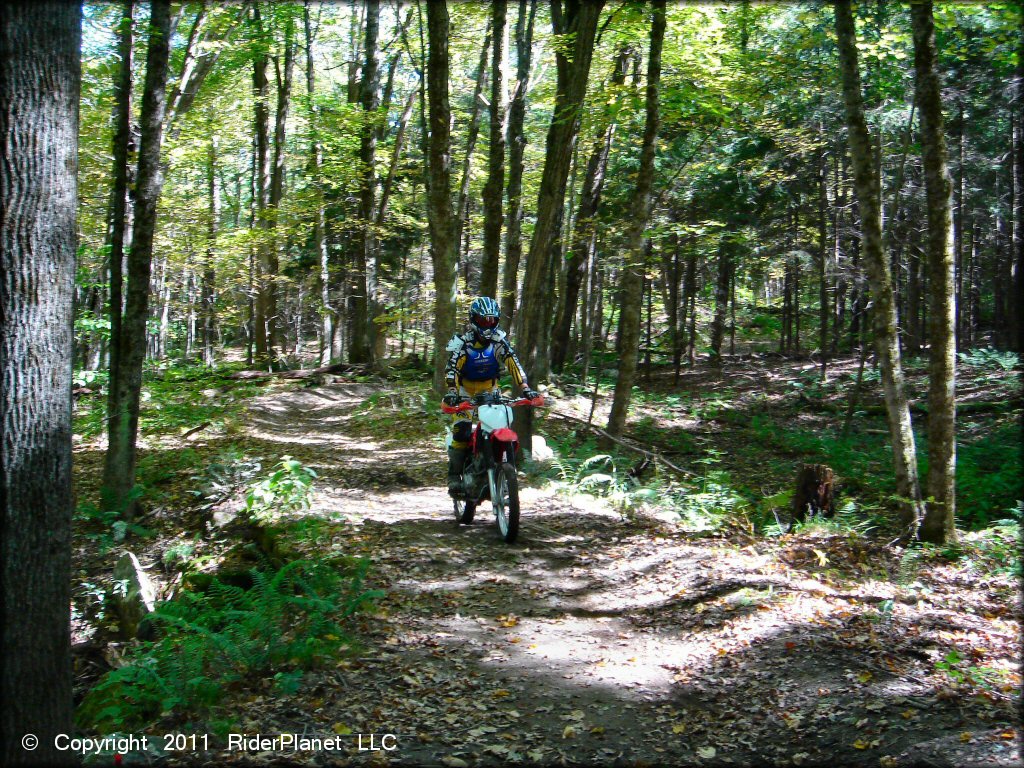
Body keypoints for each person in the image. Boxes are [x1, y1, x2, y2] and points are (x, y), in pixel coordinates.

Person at [443, 296, 538, 496]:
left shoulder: (498, 343)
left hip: (490, 390)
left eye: (492, 321)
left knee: (500, 426)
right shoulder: (462, 344)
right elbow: (452, 370)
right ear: (473, 320)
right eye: (483, 320)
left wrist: (525, 387)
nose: (488, 325)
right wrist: (452, 393)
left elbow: (513, 362)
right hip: (464, 391)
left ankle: (499, 468)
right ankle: (454, 476)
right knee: (461, 431)